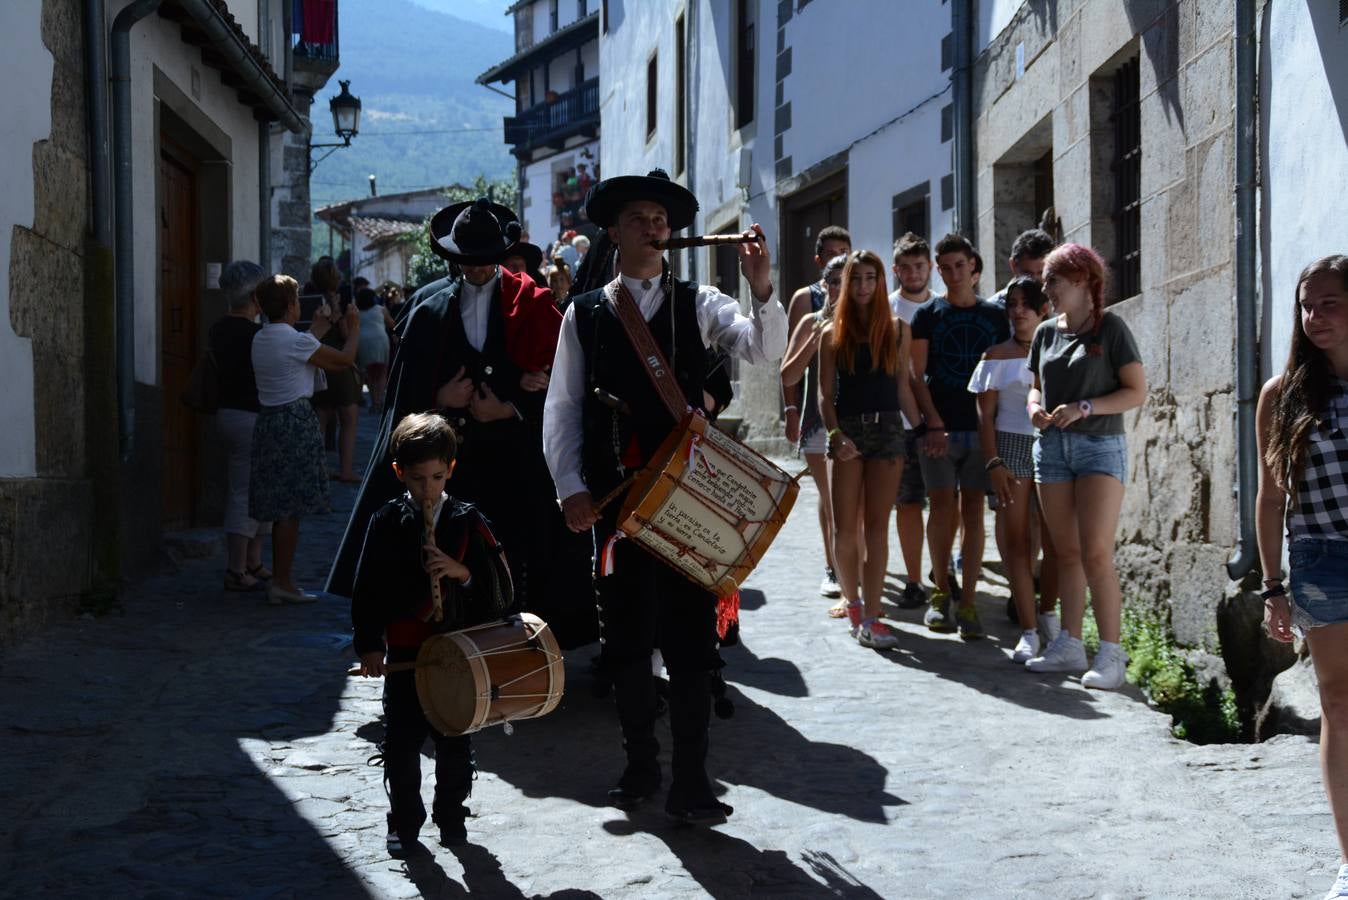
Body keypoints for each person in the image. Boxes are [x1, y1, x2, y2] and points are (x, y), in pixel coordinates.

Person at [543, 169, 786, 823]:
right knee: (623, 642)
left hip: (688, 501)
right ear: (615, 232)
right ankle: (640, 766)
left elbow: (766, 351)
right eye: (639, 219)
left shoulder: (701, 302)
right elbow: (563, 410)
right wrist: (571, 488)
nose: (654, 229)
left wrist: (760, 285)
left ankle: (693, 781)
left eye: (660, 219)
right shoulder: (585, 313)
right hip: (618, 504)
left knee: (689, 644)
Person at [328, 199, 595, 649]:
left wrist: (509, 408)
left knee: (516, 553)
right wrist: (439, 400)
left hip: (516, 463)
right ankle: (454, 653)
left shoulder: (530, 306)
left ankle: (518, 650)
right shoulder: (428, 311)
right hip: (453, 467)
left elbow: (563, 390)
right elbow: (403, 396)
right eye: (468, 262)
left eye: (484, 262)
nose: (476, 271)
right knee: (450, 555)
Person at [351, 412, 514, 856]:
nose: (428, 488)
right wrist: (369, 644)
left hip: (458, 653)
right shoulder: (386, 521)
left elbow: (498, 588)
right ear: (399, 473)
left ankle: (452, 818)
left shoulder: (467, 520)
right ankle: (403, 822)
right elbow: (367, 588)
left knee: (455, 742)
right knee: (402, 744)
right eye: (418, 478)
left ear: (451, 470)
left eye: (437, 477)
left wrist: (461, 573)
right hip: (407, 651)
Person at [1258, 255, 1348, 900]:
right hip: (1319, 560)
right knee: (1339, 707)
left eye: (1330, 303)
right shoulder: (1282, 392)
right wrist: (1271, 586)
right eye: (1307, 305)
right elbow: (1270, 498)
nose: (1315, 316)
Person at [1024, 244, 1146, 688]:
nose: (1046, 289)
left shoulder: (1111, 328)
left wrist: (1086, 406)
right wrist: (1033, 409)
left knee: (1095, 551)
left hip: (1099, 448)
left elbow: (1136, 392)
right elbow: (1034, 390)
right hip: (1051, 449)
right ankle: (1070, 645)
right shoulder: (1044, 334)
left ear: (1079, 280)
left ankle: (1111, 656)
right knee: (1065, 552)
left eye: (1052, 280)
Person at [817, 250, 922, 649]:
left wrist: (925, 429)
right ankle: (854, 604)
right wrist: (834, 436)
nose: (862, 286)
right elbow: (825, 397)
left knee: (878, 527)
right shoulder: (830, 333)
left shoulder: (897, 329)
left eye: (870, 278)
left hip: (889, 430)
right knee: (845, 528)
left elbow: (902, 389)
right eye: (855, 278)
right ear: (845, 283)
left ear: (880, 283)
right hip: (847, 433)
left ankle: (874, 617)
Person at [910, 234, 1010, 639]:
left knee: (973, 514)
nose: (953, 273)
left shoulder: (995, 317)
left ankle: (968, 602)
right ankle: (941, 593)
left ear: (974, 267)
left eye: (960, 265)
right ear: (939, 269)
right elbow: (916, 376)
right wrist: (932, 422)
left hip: (982, 432)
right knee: (941, 510)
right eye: (946, 266)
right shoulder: (927, 316)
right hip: (941, 431)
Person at [250, 274, 360, 604]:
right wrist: (353, 328)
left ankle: (280, 578)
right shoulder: (293, 340)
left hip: (269, 420)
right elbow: (343, 360)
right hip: (294, 422)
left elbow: (298, 352)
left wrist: (315, 330)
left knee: (280, 505)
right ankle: (282, 581)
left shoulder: (263, 338)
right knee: (290, 509)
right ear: (290, 305)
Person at [968, 275, 1059, 662]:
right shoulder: (995, 356)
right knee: (1016, 542)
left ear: (1044, 309)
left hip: (1053, 447)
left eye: (1027, 304)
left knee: (1057, 543)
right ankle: (1028, 630)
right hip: (1010, 447)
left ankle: (1050, 617)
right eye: (1012, 304)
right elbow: (984, 416)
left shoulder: (1059, 350)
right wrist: (993, 462)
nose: (1018, 311)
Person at [782, 224, 852, 598]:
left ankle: (853, 569)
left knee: (853, 503)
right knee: (830, 499)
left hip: (856, 416)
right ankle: (832, 565)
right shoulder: (806, 303)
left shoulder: (868, 308)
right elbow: (790, 364)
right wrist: (790, 408)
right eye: (831, 255)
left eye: (845, 253)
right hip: (815, 412)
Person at [210, 260, 272, 592]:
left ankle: (253, 561)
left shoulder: (218, 329)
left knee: (252, 489)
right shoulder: (255, 335)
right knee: (245, 492)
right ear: (255, 296)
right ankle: (237, 567)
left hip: (229, 414)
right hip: (250, 416)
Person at [889, 232, 937, 608]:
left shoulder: (941, 309)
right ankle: (914, 579)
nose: (913, 273)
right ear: (895, 270)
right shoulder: (885, 311)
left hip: (940, 420)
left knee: (944, 501)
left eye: (919, 266)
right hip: (900, 425)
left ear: (930, 267)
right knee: (908, 504)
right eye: (905, 267)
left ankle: (943, 569)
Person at [307, 257, 362, 482]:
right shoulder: (342, 299)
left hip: (318, 359)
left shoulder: (309, 297)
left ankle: (318, 471)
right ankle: (346, 470)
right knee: (348, 418)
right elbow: (348, 335)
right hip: (339, 361)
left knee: (320, 416)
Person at [355, 287, 396, 415]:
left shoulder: (356, 312)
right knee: (382, 372)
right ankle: (380, 401)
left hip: (363, 343)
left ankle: (374, 403)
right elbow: (392, 324)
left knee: (370, 375)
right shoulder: (380, 310)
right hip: (380, 341)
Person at [991, 228, 1056, 307]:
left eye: (1042, 273)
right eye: (1028, 275)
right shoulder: (993, 310)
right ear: (1013, 265)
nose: (1035, 282)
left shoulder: (1063, 304)